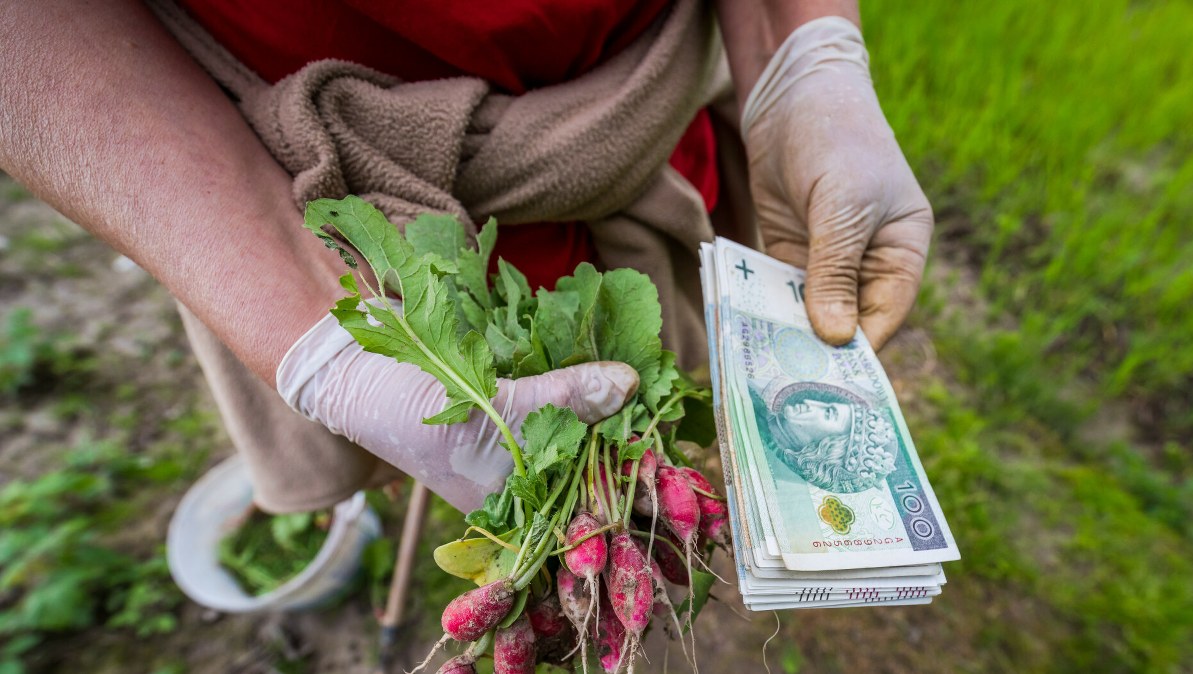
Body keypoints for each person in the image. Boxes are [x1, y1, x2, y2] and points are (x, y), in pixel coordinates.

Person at [0, 0, 933, 513]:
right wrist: (321, 350)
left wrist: (805, 60)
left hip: (638, 114)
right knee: (445, 435)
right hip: (286, 177)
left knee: (635, 417)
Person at [753, 381, 898, 494]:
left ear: (831, 446)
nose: (810, 403)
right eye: (826, 405)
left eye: (828, 413)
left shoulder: (770, 473)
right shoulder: (756, 403)